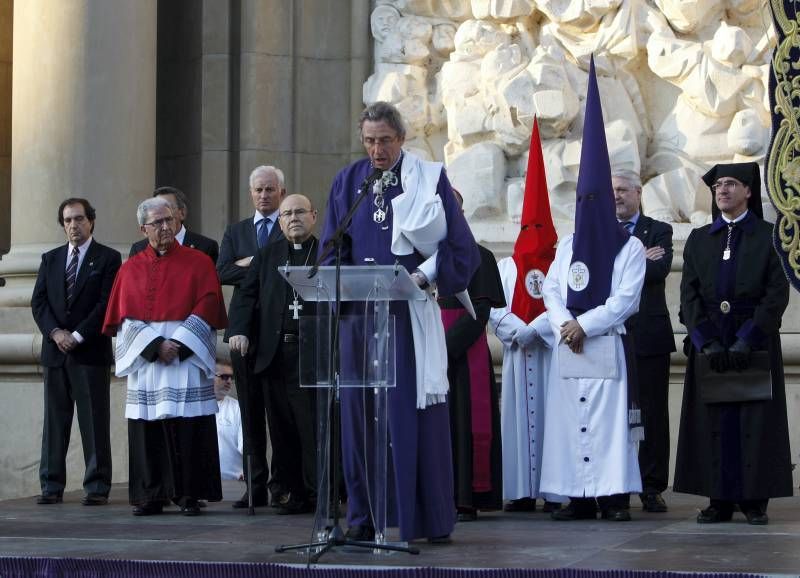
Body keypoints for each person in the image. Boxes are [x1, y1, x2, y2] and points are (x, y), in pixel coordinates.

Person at [320, 101, 480, 543]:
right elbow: (331, 249)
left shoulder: (430, 180)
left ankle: (421, 519)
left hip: (406, 316)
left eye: (385, 141)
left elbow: (460, 249)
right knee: (360, 421)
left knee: (410, 415)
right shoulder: (347, 182)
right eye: (369, 141)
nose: (377, 150)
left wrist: (422, 275)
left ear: (402, 139)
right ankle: (363, 518)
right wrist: (340, 284)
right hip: (359, 320)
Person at [540, 58, 646, 522]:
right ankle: (577, 497)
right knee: (569, 425)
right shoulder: (567, 244)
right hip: (571, 345)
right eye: (580, 200)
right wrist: (566, 325)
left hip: (603, 344)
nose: (586, 207)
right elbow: (551, 289)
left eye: (593, 200)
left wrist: (583, 325)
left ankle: (612, 497)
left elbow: (625, 300)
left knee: (606, 427)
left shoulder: (631, 247)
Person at [674, 162, 793, 525]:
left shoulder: (770, 237)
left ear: (748, 191)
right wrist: (704, 339)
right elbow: (689, 294)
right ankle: (718, 500)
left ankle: (754, 501)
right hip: (712, 342)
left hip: (751, 342)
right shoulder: (699, 239)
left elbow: (776, 294)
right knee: (713, 421)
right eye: (717, 186)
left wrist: (748, 338)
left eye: (730, 184)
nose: (722, 190)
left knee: (753, 422)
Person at [102, 197, 228, 516]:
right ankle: (150, 494)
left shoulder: (198, 262)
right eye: (157, 222)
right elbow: (124, 316)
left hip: (186, 354)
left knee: (188, 425)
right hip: (149, 358)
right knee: (148, 426)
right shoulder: (130, 268)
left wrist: (180, 343)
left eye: (169, 220)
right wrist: (155, 345)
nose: (165, 227)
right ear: (143, 228)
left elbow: (209, 303)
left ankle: (189, 495)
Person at [228, 194, 319, 515]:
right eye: (286, 214)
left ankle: (319, 491)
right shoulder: (267, 255)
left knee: (313, 427)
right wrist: (238, 329)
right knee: (280, 428)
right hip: (274, 356)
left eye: (299, 212)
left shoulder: (329, 253)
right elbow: (246, 296)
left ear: (314, 216)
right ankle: (288, 492)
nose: (293, 218)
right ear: (279, 222)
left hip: (314, 356)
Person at [489, 118, 561, 514]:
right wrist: (520, 330)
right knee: (516, 422)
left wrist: (539, 328)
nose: (533, 232)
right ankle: (518, 490)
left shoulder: (561, 263)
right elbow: (494, 306)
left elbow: (566, 303)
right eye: (528, 225)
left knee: (554, 419)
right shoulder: (506, 267)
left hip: (551, 355)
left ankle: (553, 490)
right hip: (518, 355)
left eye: (540, 224)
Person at [31, 198, 121, 506]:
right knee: (55, 422)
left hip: (90, 352)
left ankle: (97, 487)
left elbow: (106, 303)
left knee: (94, 422)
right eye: (68, 220)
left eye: (79, 219)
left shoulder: (108, 258)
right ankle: (51, 485)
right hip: (56, 353)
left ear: (91, 221)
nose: (73, 225)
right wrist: (56, 333)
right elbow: (39, 303)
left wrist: (78, 335)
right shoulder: (50, 259)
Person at [217, 165, 286, 509]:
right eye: (258, 190)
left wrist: (249, 264)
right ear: (250, 194)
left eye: (270, 189)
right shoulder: (237, 230)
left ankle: (281, 485)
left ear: (281, 194)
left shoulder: (288, 227)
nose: (263, 195)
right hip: (243, 333)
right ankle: (254, 486)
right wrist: (254, 267)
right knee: (250, 413)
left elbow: (282, 271)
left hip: (278, 331)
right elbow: (222, 271)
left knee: (280, 414)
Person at [440, 189, 505, 522]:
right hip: (424, 349)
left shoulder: (480, 256)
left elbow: (480, 311)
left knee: (464, 422)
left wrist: (442, 348)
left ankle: (465, 496)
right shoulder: (413, 257)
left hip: (462, 354)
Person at [613, 169, 675, 513]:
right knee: (615, 413)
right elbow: (600, 279)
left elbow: (658, 271)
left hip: (650, 337)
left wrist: (620, 265)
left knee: (652, 414)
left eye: (623, 190)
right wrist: (638, 258)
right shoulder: (601, 233)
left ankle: (652, 487)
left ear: (638, 193)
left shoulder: (660, 230)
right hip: (612, 335)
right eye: (612, 191)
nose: (617, 196)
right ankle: (616, 485)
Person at [129, 186, 219, 262]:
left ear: (182, 213)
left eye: (167, 207)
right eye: (156, 207)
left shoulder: (206, 247)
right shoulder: (139, 248)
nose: (162, 212)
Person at [214, 362, 244, 481]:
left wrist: (249, 470)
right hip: (197, 485)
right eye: (224, 377)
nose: (229, 381)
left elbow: (246, 447)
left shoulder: (238, 408)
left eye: (232, 377)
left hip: (232, 482)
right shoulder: (192, 408)